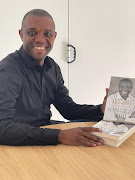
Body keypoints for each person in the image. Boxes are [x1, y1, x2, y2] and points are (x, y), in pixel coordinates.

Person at [0, 9, 107, 147]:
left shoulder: (52, 67)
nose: (40, 39)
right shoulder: (8, 69)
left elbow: (68, 109)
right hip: (19, 142)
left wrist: (100, 110)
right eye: (32, 33)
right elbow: (2, 127)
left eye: (47, 34)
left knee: (97, 136)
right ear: (21, 35)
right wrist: (59, 136)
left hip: (45, 132)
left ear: (54, 37)